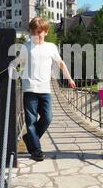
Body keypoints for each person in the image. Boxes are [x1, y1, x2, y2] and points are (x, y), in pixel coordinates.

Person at [12, 17, 75, 161]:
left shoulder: (51, 47)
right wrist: (10, 66)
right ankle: (36, 151)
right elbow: (18, 61)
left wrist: (69, 78)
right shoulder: (26, 47)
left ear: (45, 32)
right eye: (33, 32)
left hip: (45, 89)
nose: (36, 35)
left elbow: (60, 63)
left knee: (47, 118)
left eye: (39, 32)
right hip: (30, 89)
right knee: (31, 121)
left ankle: (29, 138)